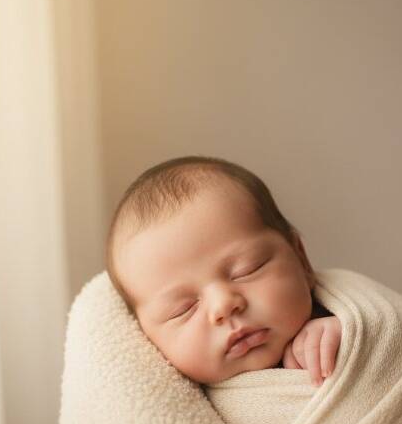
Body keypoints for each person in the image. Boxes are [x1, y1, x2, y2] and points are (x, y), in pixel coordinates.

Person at [106, 155, 339, 386]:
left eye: (247, 270)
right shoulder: (169, 401)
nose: (223, 305)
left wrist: (354, 336)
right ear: (147, 339)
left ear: (301, 258)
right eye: (183, 309)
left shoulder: (348, 322)